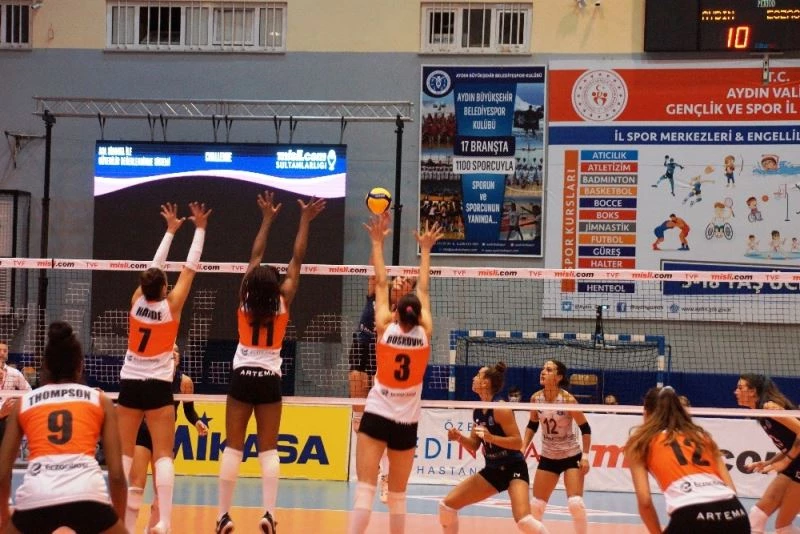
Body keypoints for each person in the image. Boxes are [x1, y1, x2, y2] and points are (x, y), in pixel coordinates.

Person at [216, 191, 326, 534]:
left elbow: (256, 254)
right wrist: (304, 220)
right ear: (276, 285)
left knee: (233, 447)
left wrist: (266, 219)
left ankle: (223, 516)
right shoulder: (283, 300)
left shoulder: (244, 298)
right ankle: (268, 513)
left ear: (252, 283)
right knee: (268, 449)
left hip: (242, 375)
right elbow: (297, 258)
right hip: (269, 378)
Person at [116, 201, 211, 534]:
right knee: (163, 455)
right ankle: (165, 522)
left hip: (130, 381)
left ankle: (122, 522)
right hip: (157, 385)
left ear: (144, 288)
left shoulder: (135, 303)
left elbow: (152, 269)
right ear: (164, 289)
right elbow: (190, 268)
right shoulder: (172, 307)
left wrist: (170, 231)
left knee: (125, 455)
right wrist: (199, 229)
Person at [348, 214, 443, 534]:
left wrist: (377, 242)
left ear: (396, 313)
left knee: (365, 491)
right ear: (419, 316)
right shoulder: (425, 334)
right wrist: (426, 251)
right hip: (406, 422)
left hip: (377, 414)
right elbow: (424, 288)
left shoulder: (383, 328)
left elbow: (380, 281)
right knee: (398, 498)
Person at [0, 321, 127, 533]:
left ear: (45, 366)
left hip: (37, 494)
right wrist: (117, 521)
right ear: (80, 366)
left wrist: (5, 519)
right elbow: (116, 475)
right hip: (87, 493)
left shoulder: (25, 402)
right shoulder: (100, 400)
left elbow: (3, 473)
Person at [440, 363, 548, 533]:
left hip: (513, 469)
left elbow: (517, 442)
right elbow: (474, 445)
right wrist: (459, 438)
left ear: (486, 383)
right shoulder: (478, 410)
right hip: (493, 470)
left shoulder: (500, 408)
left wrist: (491, 438)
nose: (474, 378)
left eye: (478, 375)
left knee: (524, 521)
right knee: (446, 506)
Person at [625, 386, 749, 533]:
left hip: (691, 515)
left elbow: (645, 501)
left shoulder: (640, 443)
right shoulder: (702, 437)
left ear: (646, 413)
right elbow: (731, 489)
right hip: (736, 514)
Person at [348, 267, 417, 503]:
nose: (401, 281)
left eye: (407, 281)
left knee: (386, 423)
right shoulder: (378, 293)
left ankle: (386, 477)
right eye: (400, 276)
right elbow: (374, 272)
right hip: (363, 345)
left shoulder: (406, 313)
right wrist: (377, 246)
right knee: (359, 422)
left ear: (410, 290)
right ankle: (374, 466)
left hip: (385, 354)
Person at [126, 343, 209, 532]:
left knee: (161, 489)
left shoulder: (185, 382)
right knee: (136, 485)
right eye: (169, 350)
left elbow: (189, 410)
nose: (173, 353)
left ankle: (152, 528)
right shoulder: (149, 376)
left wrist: (197, 422)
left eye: (177, 351)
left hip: (164, 436)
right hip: (142, 433)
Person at [522, 359, 592, 534]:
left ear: (559, 377)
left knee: (575, 504)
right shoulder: (535, 398)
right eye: (543, 369)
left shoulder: (567, 399)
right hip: (548, 457)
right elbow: (532, 424)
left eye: (548, 370)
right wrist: (523, 447)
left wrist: (585, 457)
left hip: (571, 456)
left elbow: (585, 428)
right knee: (536, 507)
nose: (543, 372)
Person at [734, 374, 800, 534]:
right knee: (757, 515)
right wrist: (768, 462)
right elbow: (789, 445)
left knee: (783, 526)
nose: (735, 391)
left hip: (796, 463)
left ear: (752, 391)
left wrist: (785, 461)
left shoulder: (769, 407)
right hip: (795, 461)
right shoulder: (761, 412)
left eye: (740, 387)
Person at [0, 343, 32, 447]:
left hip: (7, 419)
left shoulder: (15, 373)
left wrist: (16, 403)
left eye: (5, 351)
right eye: (0, 350)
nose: (2, 353)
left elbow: (29, 392)